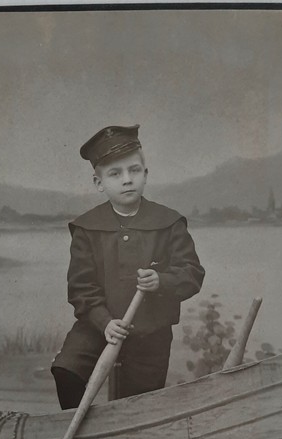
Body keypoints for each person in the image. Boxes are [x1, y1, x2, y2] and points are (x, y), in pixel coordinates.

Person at [51, 124, 205, 409]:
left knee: (136, 405)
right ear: (99, 183)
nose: (126, 180)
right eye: (115, 174)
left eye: (134, 170)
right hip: (97, 326)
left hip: (150, 331)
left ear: (145, 175)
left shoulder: (169, 222)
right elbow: (81, 289)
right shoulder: (87, 228)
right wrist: (104, 321)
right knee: (66, 370)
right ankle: (81, 437)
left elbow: (192, 274)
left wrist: (162, 281)